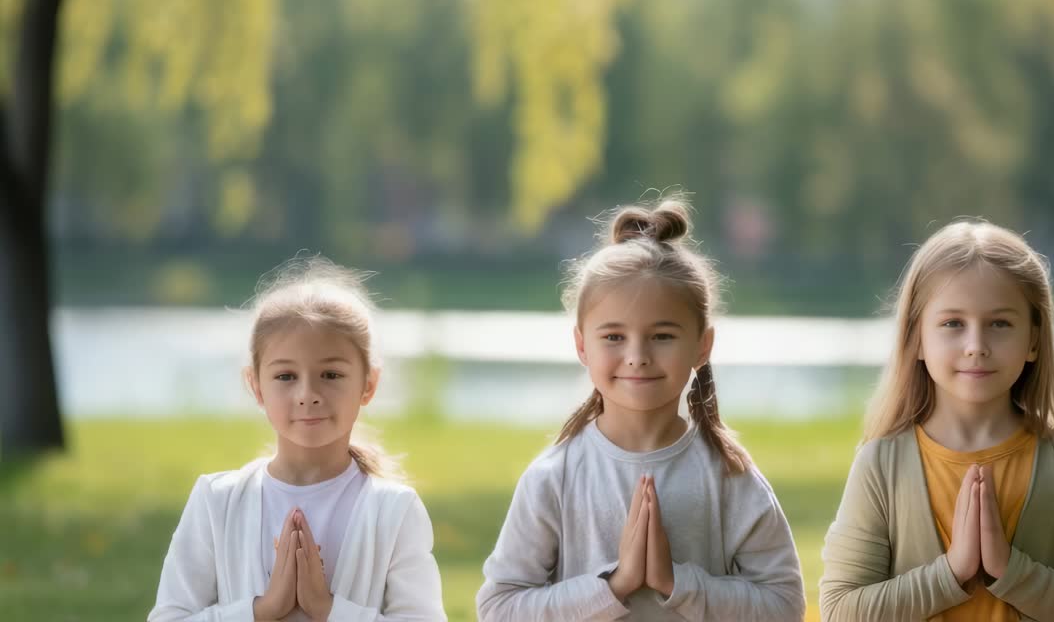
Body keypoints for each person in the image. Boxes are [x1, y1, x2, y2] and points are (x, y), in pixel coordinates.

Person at [477, 196, 805, 621]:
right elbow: (498, 608)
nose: (637, 356)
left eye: (663, 335)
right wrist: (616, 586)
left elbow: (784, 606)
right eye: (613, 337)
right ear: (582, 345)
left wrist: (677, 584)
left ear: (702, 345)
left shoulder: (730, 476)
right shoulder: (554, 477)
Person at [820, 219, 1054, 621]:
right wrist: (952, 572)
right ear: (917, 339)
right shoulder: (881, 466)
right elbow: (841, 611)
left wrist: (1009, 569)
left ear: (1033, 339)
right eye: (952, 324)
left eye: (999, 324)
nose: (976, 346)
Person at [149, 257, 447, 621]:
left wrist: (329, 609)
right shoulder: (217, 503)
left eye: (331, 374)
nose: (308, 393)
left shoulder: (394, 511)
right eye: (286, 376)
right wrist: (263, 609)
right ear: (256, 386)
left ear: (368, 384)